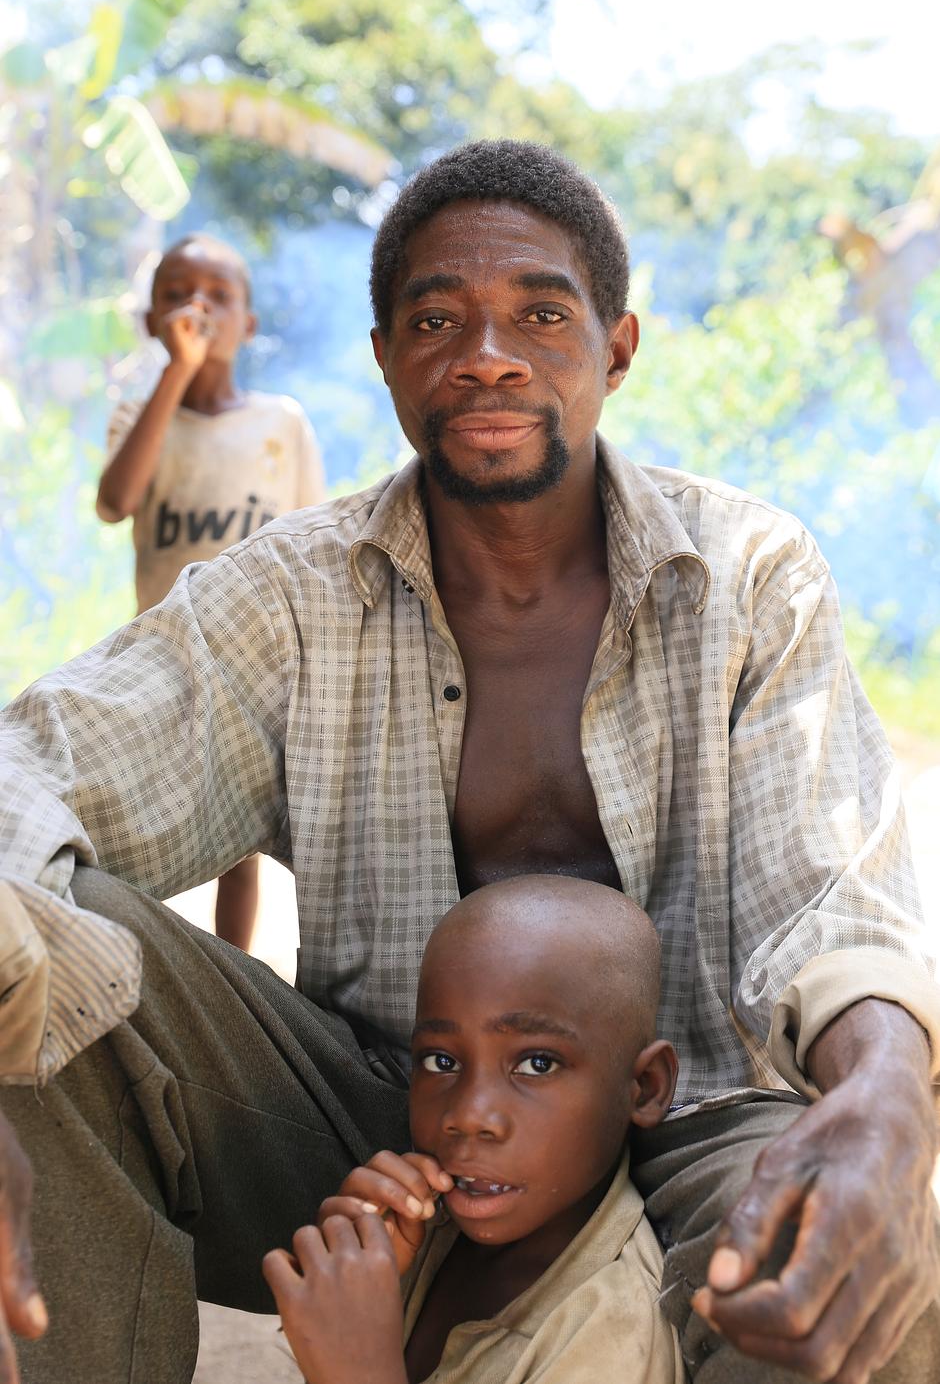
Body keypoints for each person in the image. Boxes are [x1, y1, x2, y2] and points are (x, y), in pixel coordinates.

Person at [0, 140, 938, 1384]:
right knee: (46, 950)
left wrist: (885, 1101)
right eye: (437, 318)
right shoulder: (290, 596)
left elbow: (834, 904)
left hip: (703, 1115)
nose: (487, 353)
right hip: (380, 1122)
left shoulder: (747, 573)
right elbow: (30, 765)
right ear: (386, 358)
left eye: (540, 314)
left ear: (615, 348)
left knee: (859, 1278)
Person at [265, 875, 684, 1384]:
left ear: (643, 1087)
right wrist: (359, 1296)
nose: (468, 1115)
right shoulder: (426, 1233)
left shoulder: (613, 1337)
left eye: (537, 1064)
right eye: (441, 1060)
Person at [96, 231, 326, 951]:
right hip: (161, 651)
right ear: (151, 322)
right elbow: (115, 501)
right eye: (176, 294)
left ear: (248, 324)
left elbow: (306, 535)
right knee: (136, 804)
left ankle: (240, 972)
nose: (198, 305)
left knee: (243, 833)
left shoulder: (280, 422)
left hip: (253, 653)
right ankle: (127, 956)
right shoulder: (141, 416)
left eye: (219, 296)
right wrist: (175, 374)